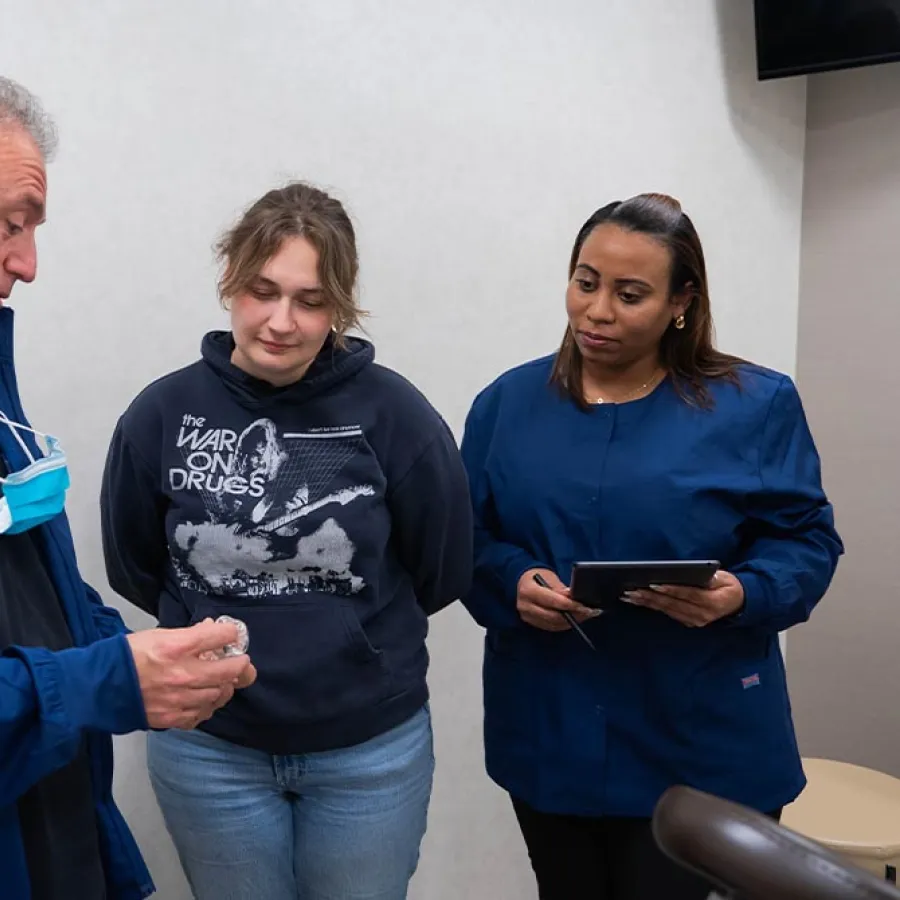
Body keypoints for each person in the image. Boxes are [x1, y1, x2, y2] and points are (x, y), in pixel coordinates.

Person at [460, 192, 843, 900]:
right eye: (585, 282)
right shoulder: (505, 406)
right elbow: (466, 539)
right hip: (553, 730)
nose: (597, 310)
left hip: (702, 742)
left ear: (681, 303)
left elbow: (807, 542)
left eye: (629, 294)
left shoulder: (755, 405)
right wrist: (511, 579)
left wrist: (743, 593)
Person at [100, 181, 473, 900]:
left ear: (340, 305)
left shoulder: (396, 415)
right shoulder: (161, 414)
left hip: (369, 751)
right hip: (210, 749)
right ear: (230, 283)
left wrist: (342, 635)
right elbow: (134, 564)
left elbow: (444, 567)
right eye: (262, 290)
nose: (281, 321)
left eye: (310, 299)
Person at [0, 77, 257, 900]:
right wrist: (108, 679)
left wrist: (141, 651)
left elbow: (29, 586)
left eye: (33, 228)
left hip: (48, 812)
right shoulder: (167, 413)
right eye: (8, 224)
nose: (28, 265)